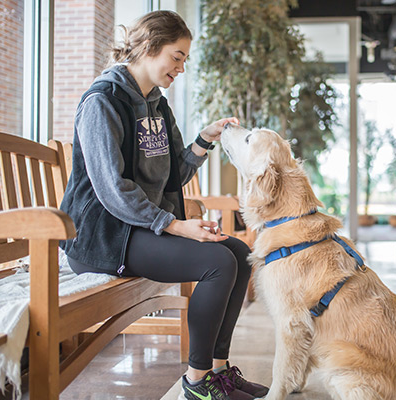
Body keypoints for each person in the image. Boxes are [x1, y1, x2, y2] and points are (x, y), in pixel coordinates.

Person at [59, 10, 268, 400]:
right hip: (102, 237)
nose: (182, 68)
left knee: (239, 253)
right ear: (150, 46)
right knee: (217, 263)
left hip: (138, 228)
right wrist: (174, 225)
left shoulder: (156, 103)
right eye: (177, 56)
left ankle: (218, 371)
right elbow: (112, 190)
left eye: (185, 59)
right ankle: (197, 382)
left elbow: (175, 173)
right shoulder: (102, 100)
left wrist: (204, 139)